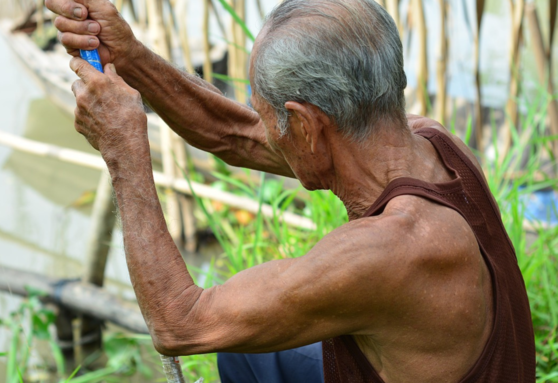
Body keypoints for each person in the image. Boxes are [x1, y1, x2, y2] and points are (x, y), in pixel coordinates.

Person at [45, 0, 536, 381]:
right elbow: (232, 134)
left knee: (229, 335)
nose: (263, 128)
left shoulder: (391, 251)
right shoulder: (432, 141)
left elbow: (181, 323)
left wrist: (124, 149)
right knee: (252, 359)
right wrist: (130, 56)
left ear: (305, 126)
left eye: (268, 115)